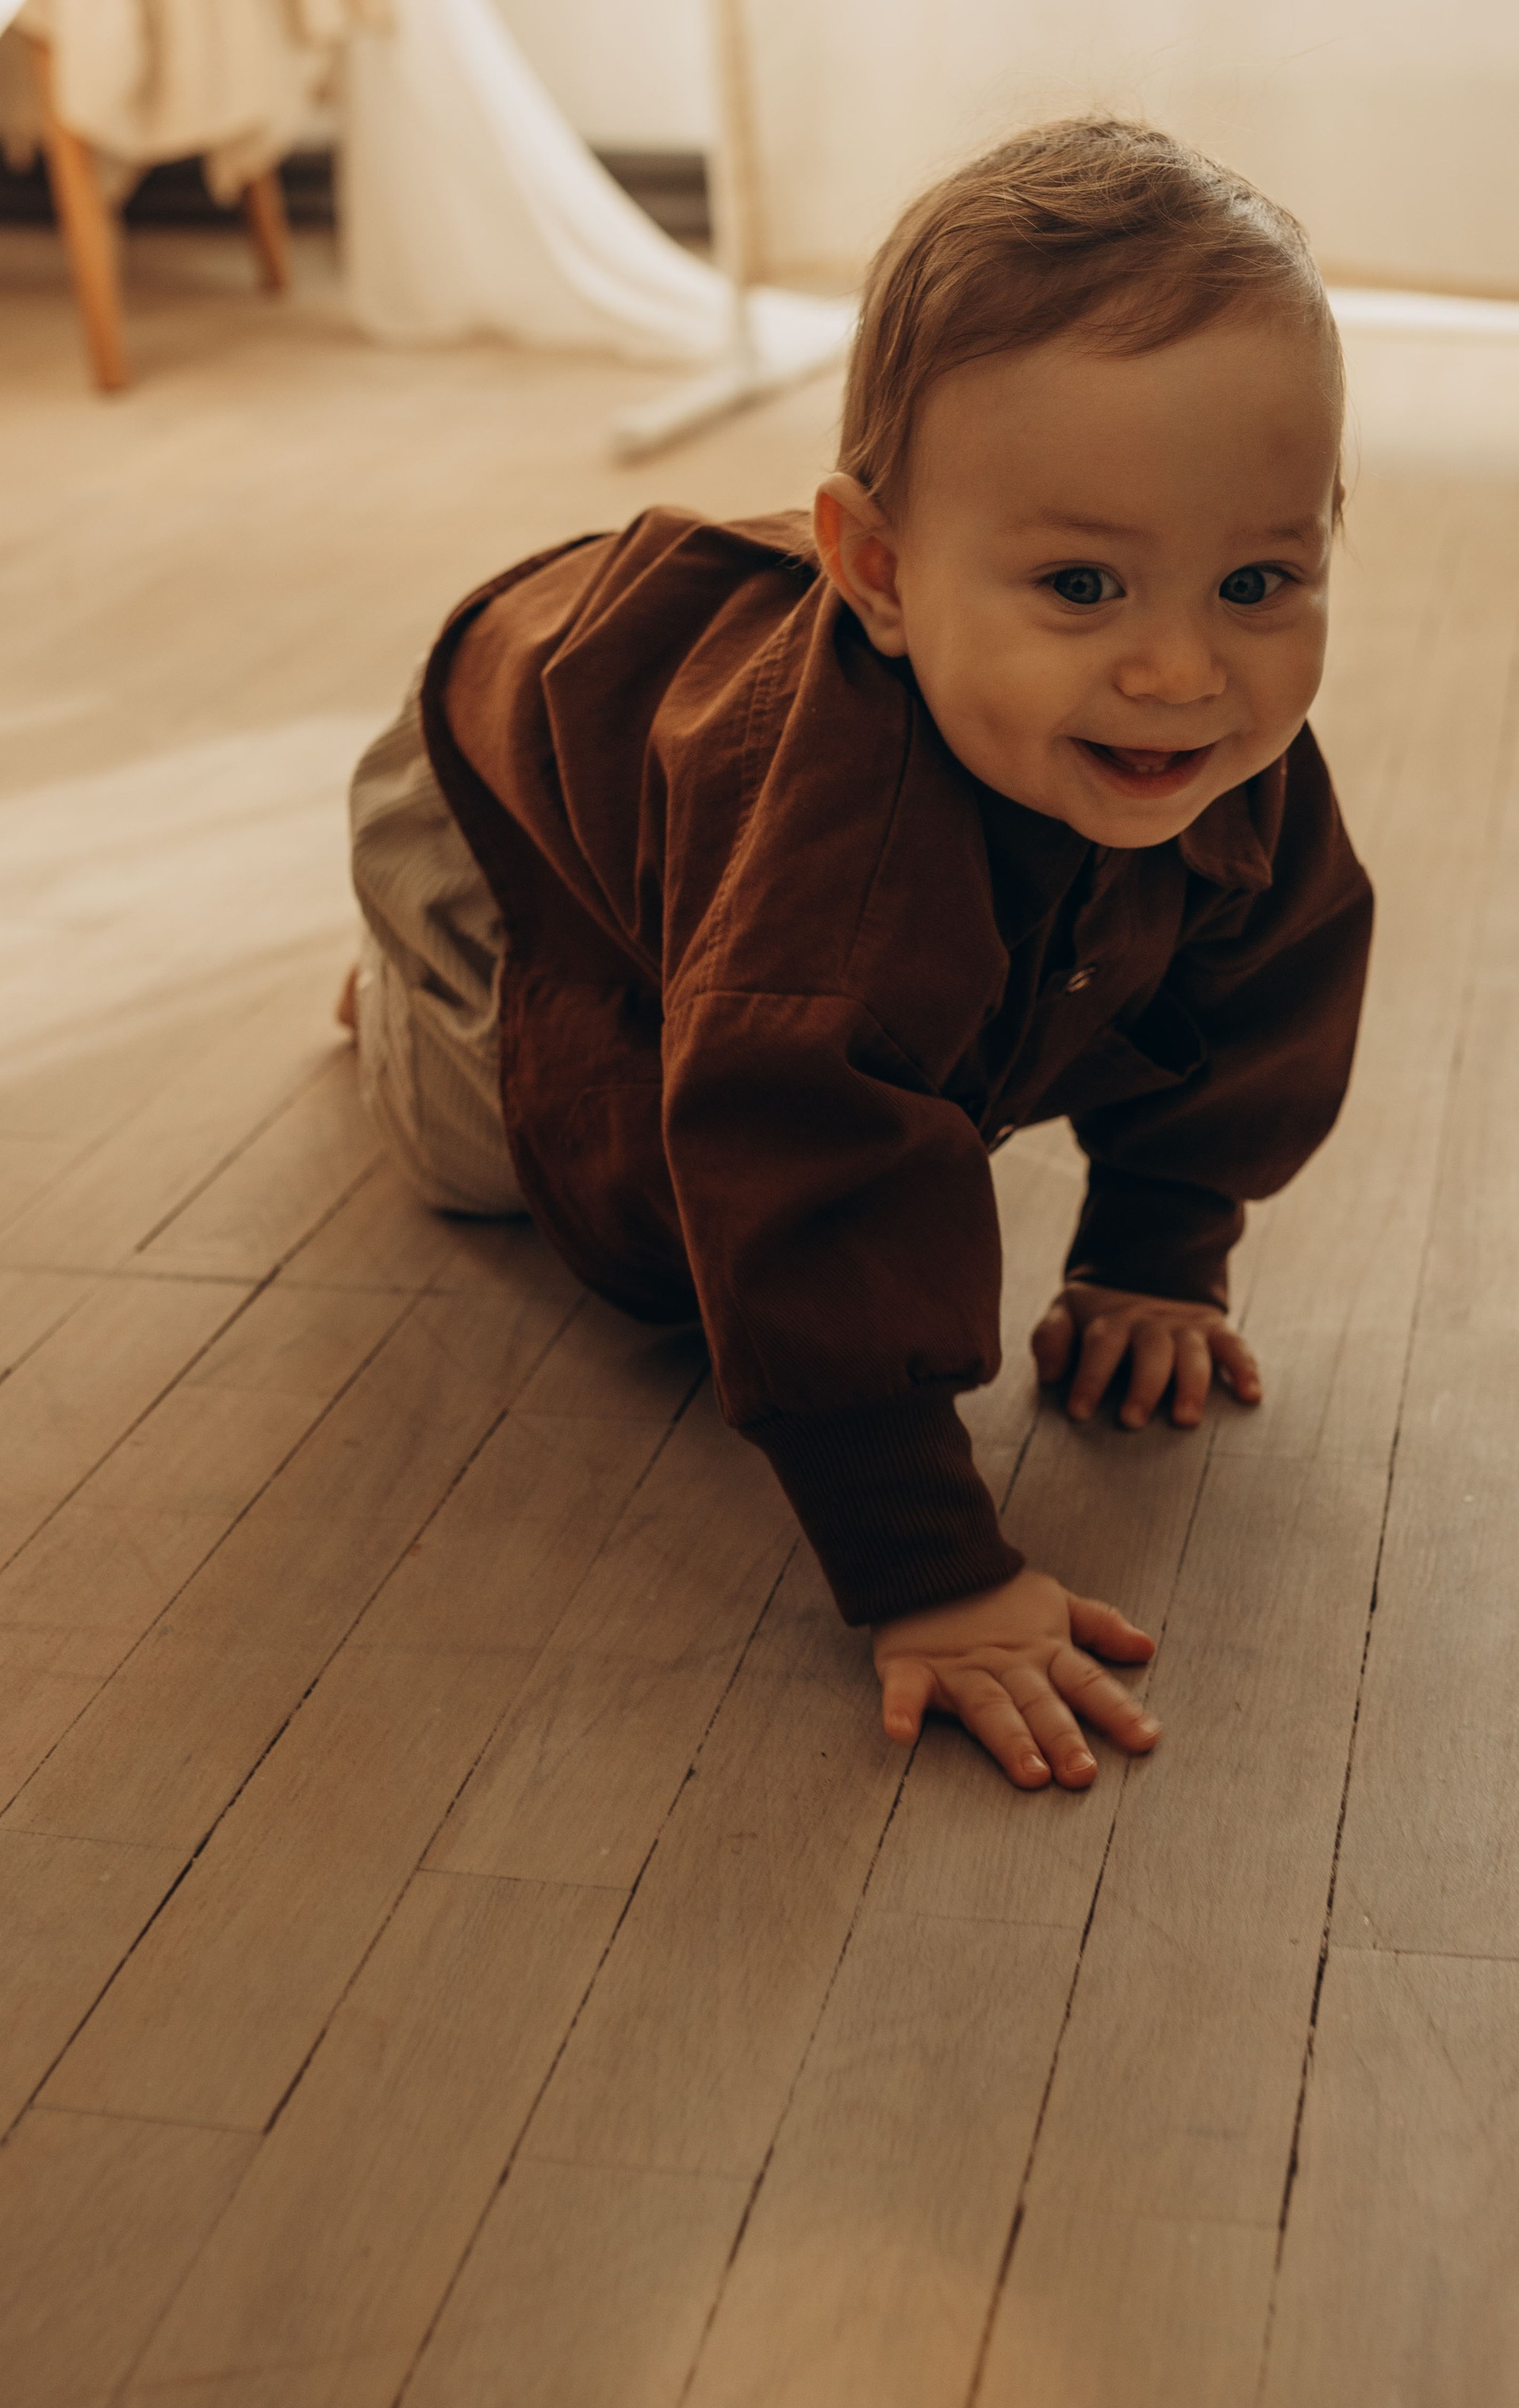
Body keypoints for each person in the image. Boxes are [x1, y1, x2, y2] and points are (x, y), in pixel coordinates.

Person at [342, 115, 1374, 1793]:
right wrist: (935, 1577)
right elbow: (796, 1185)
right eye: (1081, 584)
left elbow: (1262, 1000)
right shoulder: (843, 881)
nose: (1183, 671)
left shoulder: (1219, 765)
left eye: (1258, 579)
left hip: (697, 751)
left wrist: (1153, 1248)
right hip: (498, 786)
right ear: (879, 576)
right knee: (571, 1179)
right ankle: (418, 997)